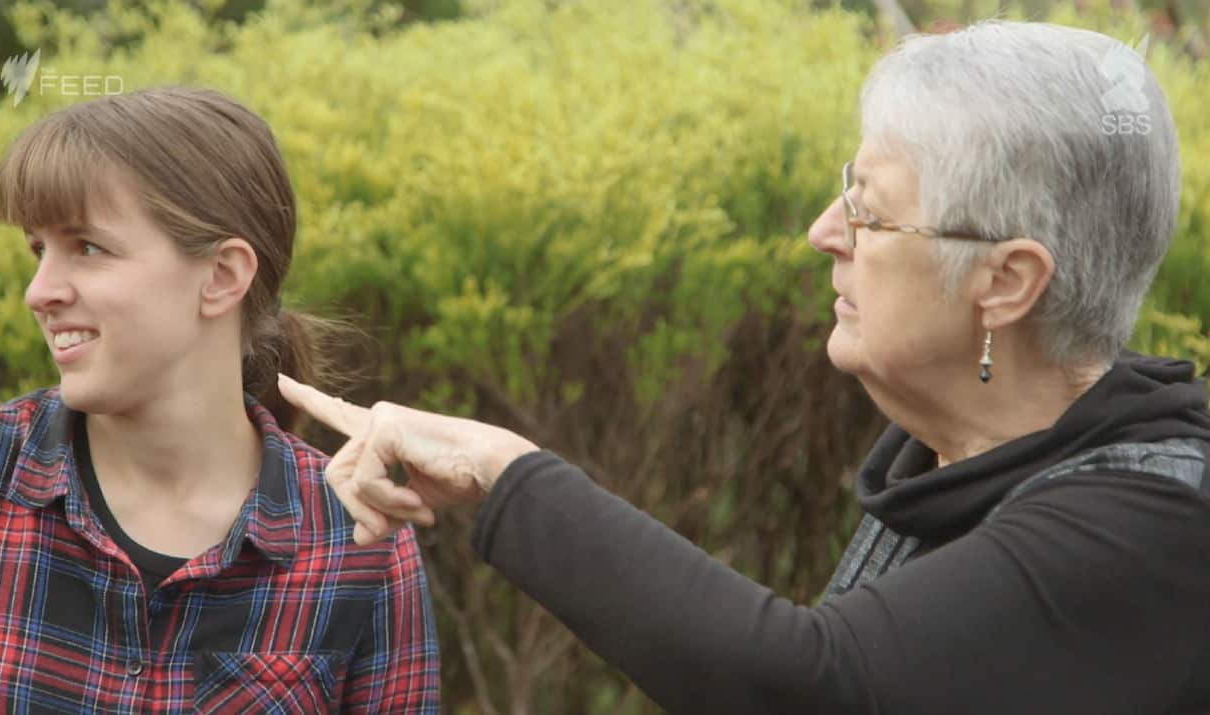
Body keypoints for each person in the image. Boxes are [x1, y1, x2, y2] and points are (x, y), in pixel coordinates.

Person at [277, 20, 1210, 715]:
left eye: (871, 212)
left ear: (1006, 281)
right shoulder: (956, 461)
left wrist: (504, 471)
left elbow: (805, 686)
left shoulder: (1158, 520)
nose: (822, 233)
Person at [0, 88, 439, 712]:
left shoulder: (356, 543)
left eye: (87, 246)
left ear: (222, 276)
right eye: (39, 250)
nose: (40, 291)